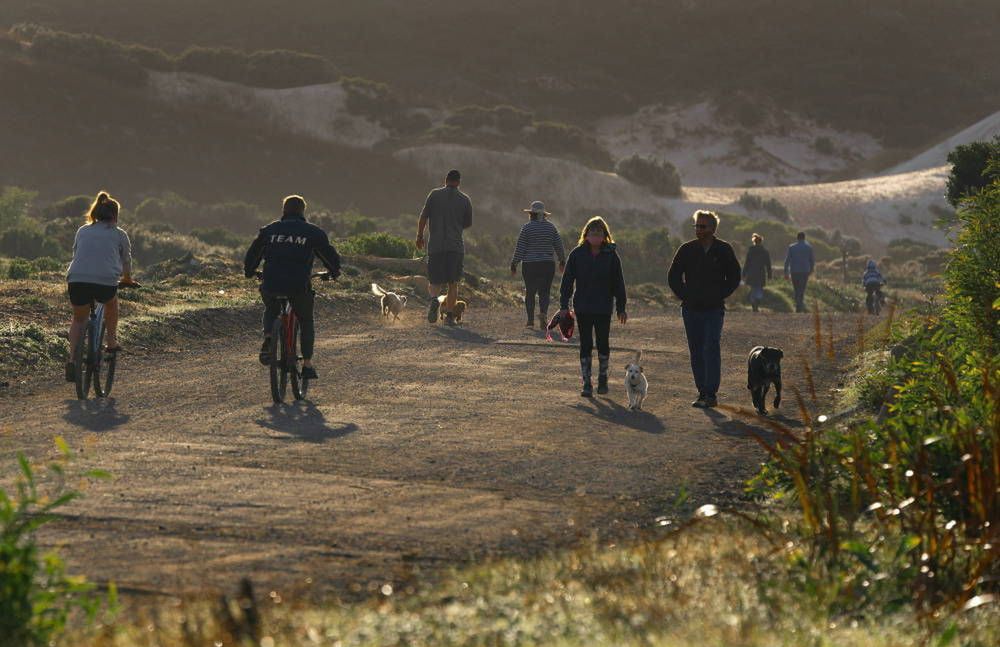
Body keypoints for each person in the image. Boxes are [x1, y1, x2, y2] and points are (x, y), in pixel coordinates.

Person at [243, 195, 341, 380]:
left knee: (271, 308)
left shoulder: (269, 230)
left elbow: (253, 253)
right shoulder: (313, 232)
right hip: (299, 285)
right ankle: (307, 365)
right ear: (303, 211)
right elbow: (329, 255)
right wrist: (334, 272)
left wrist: (249, 272)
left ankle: (269, 337)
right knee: (305, 321)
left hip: (271, 282)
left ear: (283, 210)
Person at [667, 210, 741, 408]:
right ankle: (702, 392)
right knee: (696, 350)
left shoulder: (723, 249)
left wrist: (720, 294)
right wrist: (685, 295)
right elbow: (673, 276)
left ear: (713, 228)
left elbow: (734, 276)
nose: (699, 230)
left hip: (714, 309)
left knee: (711, 347)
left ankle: (711, 393)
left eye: (703, 226)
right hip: (691, 309)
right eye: (697, 226)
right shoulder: (687, 249)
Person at [64, 191, 136, 382]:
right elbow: (126, 261)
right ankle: (111, 342)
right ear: (115, 215)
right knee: (111, 303)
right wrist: (127, 279)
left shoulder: (82, 230)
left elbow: (76, 253)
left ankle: (72, 360)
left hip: (77, 280)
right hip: (105, 282)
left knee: (79, 319)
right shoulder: (120, 234)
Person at [558, 216, 627, 398]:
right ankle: (587, 382)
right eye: (592, 233)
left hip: (603, 307)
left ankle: (603, 378)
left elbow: (618, 283)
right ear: (586, 234)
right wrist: (564, 305)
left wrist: (621, 307)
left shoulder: (611, 256)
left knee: (603, 343)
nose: (595, 236)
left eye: (599, 233)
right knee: (586, 344)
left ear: (605, 236)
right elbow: (567, 282)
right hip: (583, 307)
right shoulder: (577, 254)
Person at [415, 169, 473, 325]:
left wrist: (420, 236)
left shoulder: (434, 195)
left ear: (445, 180)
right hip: (455, 247)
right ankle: (449, 316)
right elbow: (467, 224)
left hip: (436, 246)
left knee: (434, 281)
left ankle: (434, 299)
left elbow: (423, 217)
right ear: (459, 182)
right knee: (453, 283)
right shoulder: (465, 200)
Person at [510, 200, 566, 329]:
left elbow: (521, 247)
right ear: (544, 215)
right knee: (544, 292)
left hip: (530, 265)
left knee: (530, 292)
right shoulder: (551, 227)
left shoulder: (527, 228)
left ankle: (530, 321)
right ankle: (543, 315)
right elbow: (558, 245)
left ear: (531, 214)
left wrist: (514, 263)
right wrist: (562, 260)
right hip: (547, 264)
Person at [783, 231, 815, 313]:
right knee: (802, 288)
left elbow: (787, 261)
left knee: (796, 288)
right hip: (805, 271)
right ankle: (799, 305)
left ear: (797, 238)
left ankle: (798, 304)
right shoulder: (809, 247)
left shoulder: (792, 247)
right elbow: (812, 261)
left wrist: (786, 272)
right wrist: (811, 270)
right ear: (804, 238)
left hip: (794, 271)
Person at [742, 232, 772, 312]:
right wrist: (769, 275)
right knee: (759, 289)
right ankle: (757, 302)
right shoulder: (765, 252)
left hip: (751, 273)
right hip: (761, 273)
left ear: (754, 241)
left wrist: (744, 273)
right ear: (761, 241)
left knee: (753, 288)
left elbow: (747, 263)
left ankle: (754, 305)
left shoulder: (750, 251)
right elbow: (768, 264)